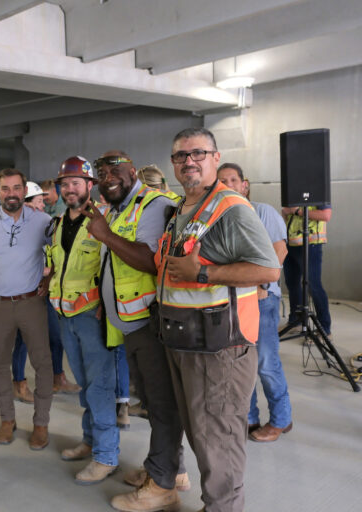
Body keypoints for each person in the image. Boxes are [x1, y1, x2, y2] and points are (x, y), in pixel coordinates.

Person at [155, 128, 280, 512]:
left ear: (214, 157)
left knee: (219, 442)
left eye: (198, 153)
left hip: (220, 347)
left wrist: (204, 274)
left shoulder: (231, 208)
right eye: (180, 156)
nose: (188, 161)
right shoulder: (183, 208)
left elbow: (268, 270)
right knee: (202, 436)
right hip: (186, 341)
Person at [85, 151, 188, 511]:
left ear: (133, 172)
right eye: (102, 173)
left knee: (161, 405)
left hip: (151, 323)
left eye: (116, 171)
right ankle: (170, 470)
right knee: (155, 402)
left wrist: (103, 234)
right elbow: (114, 266)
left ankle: (162, 484)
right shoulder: (118, 208)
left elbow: (149, 260)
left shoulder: (153, 205)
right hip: (129, 321)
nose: (108, 177)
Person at [44, 156, 120, 485]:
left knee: (100, 386)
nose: (69, 189)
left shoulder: (105, 219)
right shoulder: (60, 222)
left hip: (93, 316)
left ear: (91, 185)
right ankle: (90, 440)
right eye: (64, 184)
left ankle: (106, 455)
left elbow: (117, 265)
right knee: (86, 385)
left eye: (76, 183)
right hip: (65, 315)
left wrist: (108, 304)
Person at [0, 168, 54, 450]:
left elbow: (61, 252)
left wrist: (50, 278)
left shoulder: (43, 221)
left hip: (32, 302)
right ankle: (7, 419)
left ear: (25, 190)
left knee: (43, 364)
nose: (11, 194)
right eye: (5, 188)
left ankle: (41, 423)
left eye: (16, 188)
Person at [218, 163, 293, 443]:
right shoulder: (221, 217)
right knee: (240, 364)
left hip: (262, 300)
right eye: (222, 181)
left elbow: (279, 251)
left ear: (244, 184)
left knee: (265, 362)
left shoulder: (263, 212)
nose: (227, 185)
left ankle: (281, 420)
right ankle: (248, 417)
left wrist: (261, 285)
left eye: (233, 180)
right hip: (232, 301)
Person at [11, 180, 80, 402]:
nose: (43, 206)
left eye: (42, 201)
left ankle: (57, 378)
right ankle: (19, 384)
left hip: (46, 291)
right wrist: (44, 270)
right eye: (39, 201)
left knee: (56, 337)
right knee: (23, 340)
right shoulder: (16, 229)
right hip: (26, 293)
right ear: (27, 203)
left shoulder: (47, 224)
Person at [281, 200, 333, 336]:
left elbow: (326, 215)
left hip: (310, 244)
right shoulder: (292, 190)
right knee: (292, 284)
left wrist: (297, 211)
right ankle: (296, 321)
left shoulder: (318, 190)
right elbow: (287, 213)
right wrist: (286, 212)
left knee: (313, 286)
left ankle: (324, 330)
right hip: (290, 243)